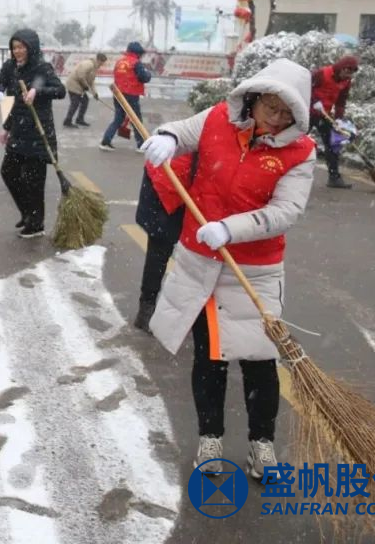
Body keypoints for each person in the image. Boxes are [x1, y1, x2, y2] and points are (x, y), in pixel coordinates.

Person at [139, 58, 316, 482]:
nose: (276, 119)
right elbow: (184, 131)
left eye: (286, 113)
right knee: (210, 356)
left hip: (253, 269)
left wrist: (230, 229)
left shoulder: (300, 152)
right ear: (254, 98)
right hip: (201, 261)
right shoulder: (218, 117)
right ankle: (210, 439)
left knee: (260, 360)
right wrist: (167, 137)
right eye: (270, 108)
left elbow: (286, 211)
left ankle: (262, 445)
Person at [0, 29, 67, 238]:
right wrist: (6, 122)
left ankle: (36, 224)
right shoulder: (11, 67)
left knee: (34, 181)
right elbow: (4, 88)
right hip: (18, 128)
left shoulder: (41, 68)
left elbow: (60, 90)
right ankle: (27, 212)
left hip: (38, 131)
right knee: (8, 172)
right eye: (14, 47)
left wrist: (37, 91)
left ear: (31, 47)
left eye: (21, 47)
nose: (17, 51)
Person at [133, 153, 197, 332]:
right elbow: (169, 181)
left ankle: (187, 312)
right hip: (164, 196)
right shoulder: (177, 155)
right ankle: (146, 308)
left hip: (182, 193)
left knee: (193, 258)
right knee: (159, 252)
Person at [310, 55, 359, 189]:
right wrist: (314, 101)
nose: (347, 75)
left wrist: (338, 119)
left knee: (333, 143)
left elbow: (341, 102)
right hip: (308, 112)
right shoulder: (321, 74)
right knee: (295, 140)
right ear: (341, 67)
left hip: (324, 114)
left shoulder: (346, 81)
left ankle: (334, 178)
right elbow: (306, 87)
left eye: (351, 73)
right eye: (346, 71)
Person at [100, 42, 151, 151]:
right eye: (140, 53)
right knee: (136, 119)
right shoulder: (136, 63)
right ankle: (141, 145)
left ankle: (105, 141)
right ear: (137, 53)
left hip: (118, 93)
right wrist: (148, 73)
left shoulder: (120, 61)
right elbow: (144, 78)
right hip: (131, 94)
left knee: (118, 118)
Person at [62, 52, 105, 127]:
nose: (102, 64)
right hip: (74, 84)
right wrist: (85, 86)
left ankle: (79, 119)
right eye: (102, 62)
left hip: (79, 86)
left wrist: (95, 93)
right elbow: (80, 75)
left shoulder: (94, 68)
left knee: (85, 101)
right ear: (99, 60)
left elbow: (91, 82)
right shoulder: (89, 64)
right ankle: (67, 121)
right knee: (75, 103)